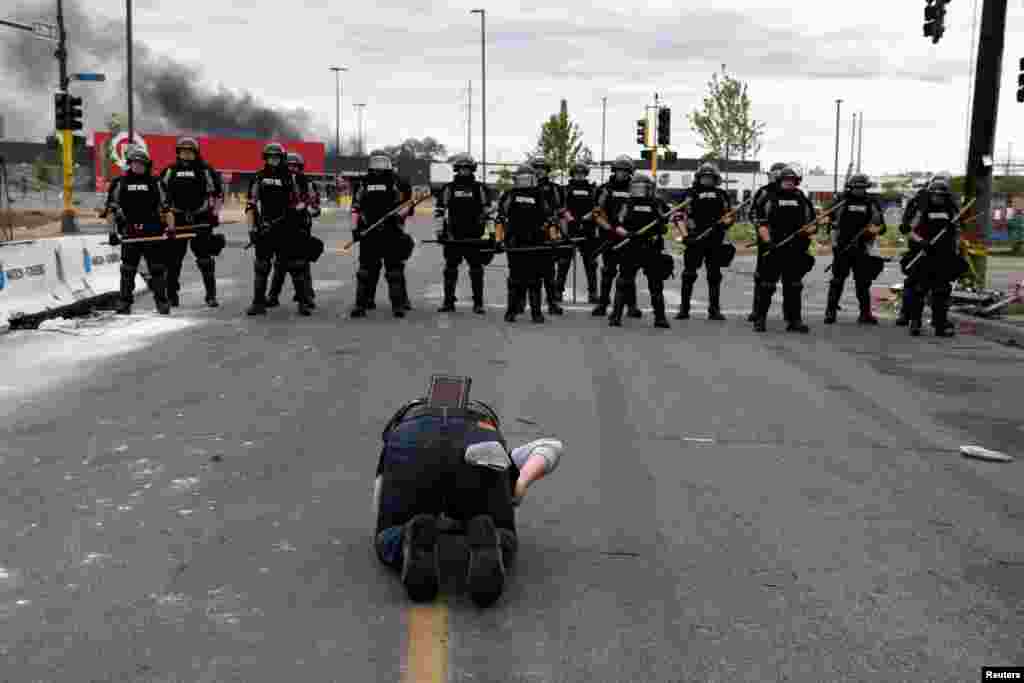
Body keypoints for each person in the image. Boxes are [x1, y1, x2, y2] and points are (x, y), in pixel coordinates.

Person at [373, 391, 563, 606]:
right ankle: (496, 540)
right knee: (501, 530)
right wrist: (520, 484)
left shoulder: (401, 431)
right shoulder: (491, 441)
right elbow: (551, 446)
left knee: (388, 535)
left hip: (412, 443)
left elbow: (379, 497)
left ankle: (408, 534)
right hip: (481, 447)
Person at [245, 143, 311, 316]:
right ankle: (258, 303)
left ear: (281, 158)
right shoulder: (259, 177)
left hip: (288, 228)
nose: (273, 160)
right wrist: (252, 229)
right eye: (270, 157)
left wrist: (295, 210)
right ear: (265, 158)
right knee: (262, 267)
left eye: (276, 157)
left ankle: (303, 303)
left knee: (296, 266)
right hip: (265, 227)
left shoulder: (292, 178)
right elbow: (251, 205)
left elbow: (304, 201)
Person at [601, 174, 674, 328]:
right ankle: (616, 316)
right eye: (636, 187)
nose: (639, 191)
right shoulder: (626, 204)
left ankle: (660, 318)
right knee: (623, 282)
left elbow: (666, 224)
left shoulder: (657, 203)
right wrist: (627, 234)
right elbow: (617, 225)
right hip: (630, 247)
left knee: (656, 285)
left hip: (651, 248)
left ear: (649, 189)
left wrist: (661, 226)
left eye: (643, 188)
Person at [751, 165, 818, 333]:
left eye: (792, 181)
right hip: (774, 247)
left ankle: (794, 320)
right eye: (786, 180)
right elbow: (761, 223)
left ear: (797, 182)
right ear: (780, 181)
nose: (789, 183)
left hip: (796, 249)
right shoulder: (769, 198)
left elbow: (812, 224)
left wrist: (808, 230)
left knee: (794, 286)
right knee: (767, 285)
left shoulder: (802, 199)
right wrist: (767, 242)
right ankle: (760, 319)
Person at [160, 137, 224, 308]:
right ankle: (172, 295)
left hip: (201, 219)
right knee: (173, 261)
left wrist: (215, 214)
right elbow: (160, 196)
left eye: (190, 151)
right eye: (183, 151)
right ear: (178, 152)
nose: (186, 154)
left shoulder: (205, 170)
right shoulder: (169, 170)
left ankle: (211, 295)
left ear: (195, 153)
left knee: (205, 260)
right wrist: (164, 218)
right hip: (177, 220)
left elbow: (218, 195)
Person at [106, 147, 172, 315]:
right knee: (127, 270)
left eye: (141, 163)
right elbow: (111, 211)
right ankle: (125, 303)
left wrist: (171, 229)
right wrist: (112, 232)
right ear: (129, 164)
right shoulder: (120, 183)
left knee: (157, 269)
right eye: (134, 163)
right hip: (130, 233)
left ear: (147, 165)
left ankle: (162, 303)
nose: (137, 166)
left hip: (153, 233)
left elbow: (167, 209)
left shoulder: (156, 182)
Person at [349, 151, 415, 319]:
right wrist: (355, 229)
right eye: (375, 166)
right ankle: (361, 305)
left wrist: (398, 215)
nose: (378, 170)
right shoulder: (363, 183)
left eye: (381, 166)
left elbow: (409, 206)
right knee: (365, 272)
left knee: (394, 271)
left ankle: (398, 305)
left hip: (392, 232)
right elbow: (355, 208)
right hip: (369, 233)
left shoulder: (399, 183)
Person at [900, 173, 962, 337]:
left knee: (941, 291)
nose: (938, 199)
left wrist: (956, 247)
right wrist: (921, 242)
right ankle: (915, 322)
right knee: (919, 289)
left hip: (943, 255)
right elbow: (908, 230)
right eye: (936, 195)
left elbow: (957, 232)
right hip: (923, 254)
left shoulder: (950, 209)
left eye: (942, 196)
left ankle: (940, 325)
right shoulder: (921, 209)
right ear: (930, 194)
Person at [825, 173, 886, 325]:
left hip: (863, 248)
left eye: (862, 187)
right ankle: (830, 312)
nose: (859, 190)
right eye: (856, 187)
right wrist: (835, 242)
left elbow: (881, 226)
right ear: (850, 187)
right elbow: (828, 220)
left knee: (863, 283)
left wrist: (872, 231)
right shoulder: (840, 201)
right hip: (842, 247)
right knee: (837, 281)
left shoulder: (871, 202)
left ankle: (865, 314)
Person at [434, 154, 491, 314]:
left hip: (475, 236)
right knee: (450, 269)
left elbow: (488, 214)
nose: (464, 171)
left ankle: (478, 303)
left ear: (472, 169)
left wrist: (492, 235)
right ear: (456, 170)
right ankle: (448, 302)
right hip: (453, 235)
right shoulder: (448, 188)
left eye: (467, 168)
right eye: (461, 168)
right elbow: (439, 212)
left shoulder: (480, 188)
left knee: (476, 269)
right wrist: (440, 231)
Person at [676, 163, 733, 321]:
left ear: (715, 179)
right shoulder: (690, 194)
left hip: (715, 240)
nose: (707, 180)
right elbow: (679, 216)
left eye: (710, 177)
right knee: (689, 275)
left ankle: (714, 310)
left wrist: (725, 223)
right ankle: (684, 309)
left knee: (714, 276)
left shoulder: (722, 194)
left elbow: (729, 215)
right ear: (699, 178)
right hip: (695, 239)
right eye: (704, 177)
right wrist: (685, 235)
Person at [497, 165, 552, 323]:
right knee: (515, 278)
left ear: (533, 179)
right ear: (516, 179)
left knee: (535, 279)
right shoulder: (509, 195)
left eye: (527, 178)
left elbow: (549, 219)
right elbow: (500, 219)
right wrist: (499, 240)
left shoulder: (540, 195)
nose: (524, 181)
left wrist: (553, 238)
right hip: (515, 241)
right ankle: (511, 311)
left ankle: (536, 312)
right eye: (521, 178)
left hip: (536, 241)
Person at [267, 152, 319, 310]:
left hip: (301, 228)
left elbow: (315, 208)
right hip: (281, 228)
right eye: (289, 166)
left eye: (295, 166)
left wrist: (303, 209)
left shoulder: (308, 184)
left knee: (302, 264)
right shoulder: (277, 182)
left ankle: (307, 296)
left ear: (300, 168)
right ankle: (273, 296)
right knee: (280, 264)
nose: (292, 169)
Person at [593, 156, 642, 319]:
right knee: (608, 271)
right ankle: (602, 304)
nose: (622, 174)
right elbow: (597, 212)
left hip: (629, 236)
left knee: (628, 273)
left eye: (625, 171)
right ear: (614, 171)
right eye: (619, 171)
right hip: (609, 235)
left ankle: (632, 306)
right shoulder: (605, 189)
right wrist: (609, 228)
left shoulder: (636, 188)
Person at [747, 162, 788, 322]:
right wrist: (762, 229)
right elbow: (753, 214)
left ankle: (789, 313)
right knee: (761, 276)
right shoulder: (763, 192)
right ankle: (757, 311)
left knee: (790, 279)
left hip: (791, 242)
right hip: (767, 242)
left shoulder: (795, 193)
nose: (776, 177)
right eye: (774, 174)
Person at [530, 156, 567, 315]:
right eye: (536, 168)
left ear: (547, 171)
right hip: (528, 231)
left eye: (542, 168)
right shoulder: (524, 188)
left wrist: (564, 233)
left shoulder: (555, 189)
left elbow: (562, 212)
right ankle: (518, 303)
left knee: (549, 270)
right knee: (525, 270)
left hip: (550, 231)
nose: (539, 171)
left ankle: (552, 303)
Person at [563, 162, 600, 303]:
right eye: (577, 173)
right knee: (564, 262)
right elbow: (562, 207)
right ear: (572, 174)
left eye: (582, 173)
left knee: (590, 263)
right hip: (570, 229)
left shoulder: (593, 189)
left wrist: (588, 217)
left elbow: (598, 207)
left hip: (588, 229)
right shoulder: (566, 189)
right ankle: (557, 291)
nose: (579, 176)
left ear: (586, 175)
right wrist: (571, 219)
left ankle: (593, 293)